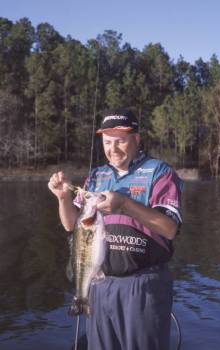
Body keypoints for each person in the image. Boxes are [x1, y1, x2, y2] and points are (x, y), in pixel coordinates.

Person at [48, 109, 183, 350]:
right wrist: (63, 198)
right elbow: (72, 225)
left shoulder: (160, 172)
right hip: (100, 284)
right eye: (107, 142)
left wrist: (124, 204)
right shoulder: (96, 175)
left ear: (137, 139)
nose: (114, 148)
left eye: (120, 140)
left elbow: (170, 229)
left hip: (142, 286)